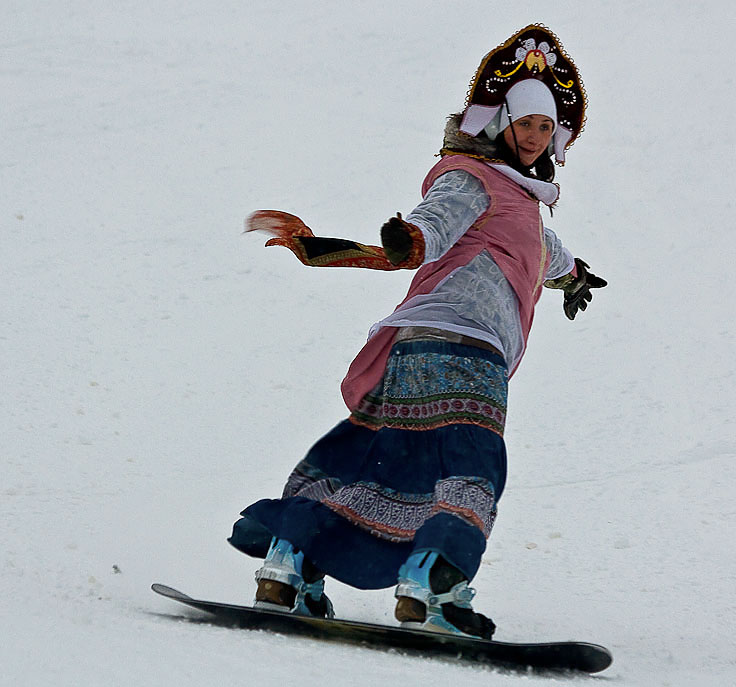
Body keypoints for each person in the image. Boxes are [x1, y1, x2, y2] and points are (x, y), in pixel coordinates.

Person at [229, 24, 607, 640]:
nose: (536, 138)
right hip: (467, 348)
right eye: (526, 124)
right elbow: (432, 228)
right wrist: (391, 242)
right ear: (496, 120)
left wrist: (575, 277)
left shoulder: (519, 201)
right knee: (469, 465)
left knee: (372, 459)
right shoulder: (471, 178)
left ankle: (291, 562)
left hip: (418, 348)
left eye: (546, 128)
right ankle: (434, 586)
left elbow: (545, 249)